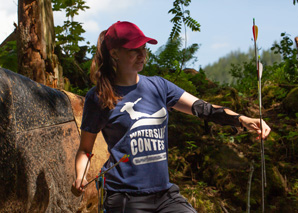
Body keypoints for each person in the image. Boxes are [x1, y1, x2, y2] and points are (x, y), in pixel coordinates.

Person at [71, 21, 271, 213]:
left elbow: (204, 108)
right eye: (134, 49)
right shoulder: (99, 96)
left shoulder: (159, 86)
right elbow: (85, 150)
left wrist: (242, 119)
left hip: (164, 194)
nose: (142, 54)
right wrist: (81, 176)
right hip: (125, 197)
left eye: (144, 48)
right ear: (115, 53)